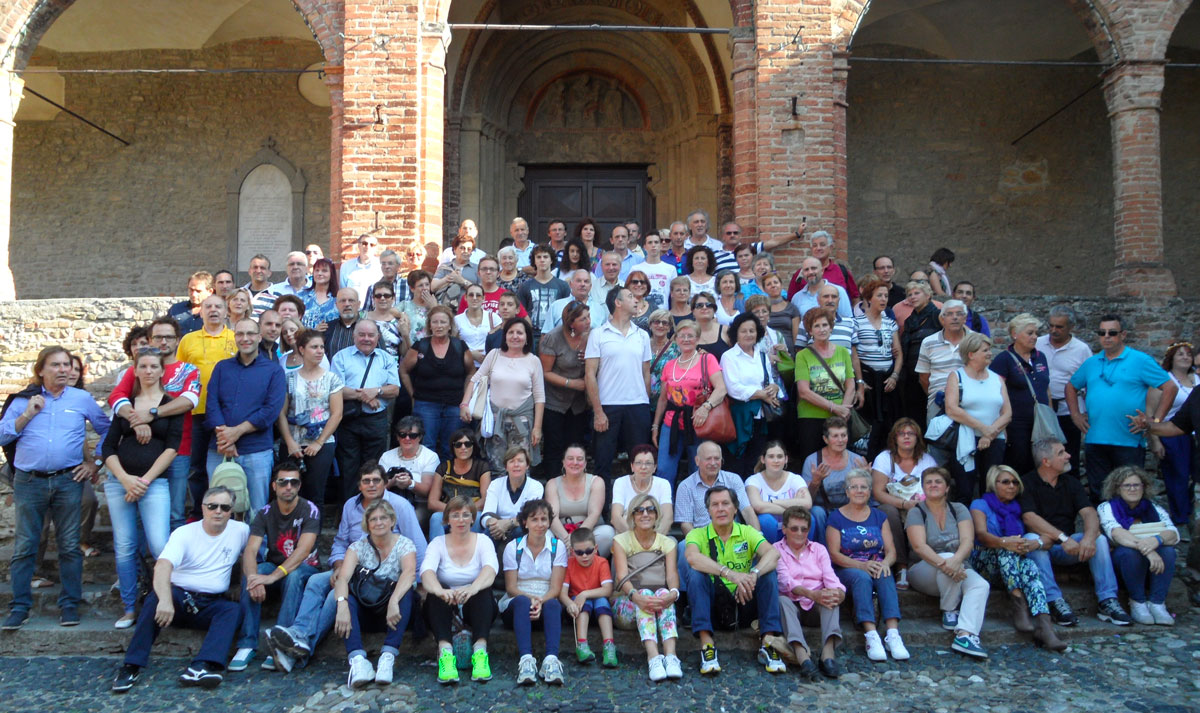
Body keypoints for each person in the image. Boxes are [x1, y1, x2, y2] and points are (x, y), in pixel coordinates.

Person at [264, 462, 426, 673]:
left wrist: (422, 584)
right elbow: (340, 542)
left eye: (376, 480)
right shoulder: (351, 505)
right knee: (315, 581)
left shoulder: (400, 506)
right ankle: (299, 633)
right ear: (359, 485)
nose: (371, 485)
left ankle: (303, 646)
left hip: (380, 575)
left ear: (386, 483)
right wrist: (339, 565)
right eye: (366, 481)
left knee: (337, 596)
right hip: (350, 565)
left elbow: (418, 545)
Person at [110, 486, 248, 692]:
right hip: (179, 599)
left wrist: (243, 583)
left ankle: (201, 666)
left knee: (233, 610)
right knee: (155, 600)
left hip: (211, 603)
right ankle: (131, 666)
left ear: (231, 510)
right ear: (203, 508)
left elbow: (252, 556)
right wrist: (165, 600)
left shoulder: (241, 530)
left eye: (224, 507)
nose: (218, 511)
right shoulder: (184, 533)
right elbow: (163, 565)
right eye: (213, 506)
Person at [101, 348, 181, 629]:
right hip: (119, 483)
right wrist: (125, 479)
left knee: (160, 545)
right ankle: (129, 607)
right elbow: (108, 447)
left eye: (154, 366)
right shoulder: (125, 405)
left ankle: (165, 601)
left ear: (162, 371)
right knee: (124, 546)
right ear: (134, 370)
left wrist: (144, 480)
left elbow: (172, 447)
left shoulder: (171, 405)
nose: (148, 371)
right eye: (143, 366)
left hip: (154, 483)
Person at [1021, 438, 1132, 626]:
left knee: (1100, 540)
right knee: (1031, 538)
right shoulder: (1027, 483)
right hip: (1043, 548)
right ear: (1046, 461)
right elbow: (1029, 518)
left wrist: (1088, 538)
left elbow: (1089, 512)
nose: (1068, 456)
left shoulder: (1071, 483)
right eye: (1061, 453)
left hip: (1070, 548)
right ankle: (1054, 601)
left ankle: (1107, 601)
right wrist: (1062, 538)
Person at [1065, 314, 1175, 503]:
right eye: (1102, 332)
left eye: (1112, 332)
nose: (1106, 336)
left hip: (1129, 441)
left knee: (1131, 494)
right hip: (1096, 439)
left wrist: (1155, 422)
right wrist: (1075, 415)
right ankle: (1104, 531)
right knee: (1099, 493)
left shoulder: (1140, 360)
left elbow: (1170, 387)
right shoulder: (1092, 362)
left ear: (1123, 335)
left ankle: (1129, 530)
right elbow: (1070, 386)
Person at [108, 316, 201, 532]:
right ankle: (143, 563)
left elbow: (188, 401)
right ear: (150, 340)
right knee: (139, 512)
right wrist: (137, 422)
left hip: (179, 450)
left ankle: (169, 564)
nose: (163, 342)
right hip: (141, 450)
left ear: (178, 340)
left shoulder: (189, 370)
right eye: (158, 337)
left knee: (175, 513)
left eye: (169, 337)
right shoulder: (139, 369)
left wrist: (153, 414)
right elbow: (116, 398)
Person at [683, 485, 785, 675]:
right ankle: (707, 646)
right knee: (696, 575)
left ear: (735, 508)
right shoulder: (697, 534)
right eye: (715, 505)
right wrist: (729, 574)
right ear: (708, 510)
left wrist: (753, 574)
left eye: (725, 503)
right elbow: (692, 558)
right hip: (714, 605)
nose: (720, 509)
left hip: (744, 600)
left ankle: (768, 643)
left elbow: (773, 554)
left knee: (768, 574)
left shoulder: (746, 531)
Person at [232, 462, 321, 672]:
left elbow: (302, 552)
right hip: (274, 566)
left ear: (299, 486)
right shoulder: (264, 512)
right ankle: (247, 644)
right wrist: (254, 578)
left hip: (305, 569)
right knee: (251, 572)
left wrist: (273, 577)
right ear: (274, 486)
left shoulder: (310, 510)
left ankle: (280, 642)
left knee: (294, 574)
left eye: (293, 482)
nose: (288, 486)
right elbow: (251, 550)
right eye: (283, 482)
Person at [968, 465, 1066, 651]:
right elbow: (981, 535)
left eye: (1015, 482)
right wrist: (1005, 542)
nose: (1012, 486)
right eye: (1006, 482)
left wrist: (1033, 544)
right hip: (984, 563)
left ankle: (1045, 627)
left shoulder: (1018, 508)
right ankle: (1018, 604)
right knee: (1007, 547)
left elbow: (1044, 537)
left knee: (1029, 565)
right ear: (993, 483)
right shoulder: (980, 504)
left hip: (1013, 568)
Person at [905, 466, 991, 658]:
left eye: (938, 482)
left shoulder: (958, 509)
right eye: (928, 482)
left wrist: (956, 561)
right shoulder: (916, 512)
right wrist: (949, 564)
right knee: (946, 558)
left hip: (957, 568)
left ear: (946, 488)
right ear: (923, 487)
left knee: (980, 585)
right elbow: (919, 547)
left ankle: (965, 634)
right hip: (923, 571)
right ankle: (949, 609)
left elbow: (968, 541)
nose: (933, 485)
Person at [825, 470, 908, 662]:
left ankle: (893, 634)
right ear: (847, 492)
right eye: (854, 487)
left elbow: (891, 551)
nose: (859, 491)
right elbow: (834, 554)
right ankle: (871, 635)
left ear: (870, 491)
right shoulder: (836, 517)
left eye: (863, 487)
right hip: (847, 567)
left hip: (876, 564)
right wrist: (861, 566)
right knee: (862, 578)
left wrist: (885, 563)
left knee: (885, 574)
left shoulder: (879, 516)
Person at [205, 318, 287, 514]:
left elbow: (270, 411)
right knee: (218, 509)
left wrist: (235, 433)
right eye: (240, 334)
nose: (245, 338)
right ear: (235, 337)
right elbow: (212, 403)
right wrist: (226, 438)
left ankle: (257, 546)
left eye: (250, 334)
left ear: (259, 337)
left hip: (256, 451)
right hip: (220, 449)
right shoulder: (222, 368)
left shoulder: (274, 371)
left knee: (257, 511)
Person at [333, 499, 417, 688]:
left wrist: (394, 600)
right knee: (348, 599)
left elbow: (409, 573)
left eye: (383, 518)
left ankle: (387, 656)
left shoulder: (405, 544)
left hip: (394, 613)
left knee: (406, 592)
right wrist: (341, 604)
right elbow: (343, 579)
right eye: (373, 519)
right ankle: (357, 661)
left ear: (392, 521)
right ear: (367, 524)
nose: (379, 522)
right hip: (366, 607)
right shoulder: (357, 547)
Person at [421, 496, 499, 684]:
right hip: (447, 606)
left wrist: (472, 588)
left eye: (466, 515)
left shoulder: (483, 541)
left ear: (473, 519)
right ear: (447, 519)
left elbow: (490, 569)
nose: (461, 520)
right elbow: (427, 573)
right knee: (434, 594)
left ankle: (480, 653)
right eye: (455, 515)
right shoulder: (437, 543)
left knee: (483, 590)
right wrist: (440, 591)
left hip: (475, 605)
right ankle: (445, 654)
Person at [176, 294, 237, 519]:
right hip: (194, 412)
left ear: (226, 312)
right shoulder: (188, 340)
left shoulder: (234, 338)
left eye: (218, 307)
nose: (213, 310)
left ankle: (228, 509)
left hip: (226, 414)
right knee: (197, 466)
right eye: (208, 306)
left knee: (225, 463)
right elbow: (178, 374)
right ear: (201, 312)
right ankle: (199, 511)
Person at [611, 494, 683, 682]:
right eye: (639, 510)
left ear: (657, 515)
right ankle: (653, 657)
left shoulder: (667, 543)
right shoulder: (620, 541)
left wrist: (673, 594)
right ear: (632, 516)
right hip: (627, 604)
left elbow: (672, 575)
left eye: (650, 510)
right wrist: (636, 597)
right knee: (645, 594)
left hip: (657, 601)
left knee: (663, 593)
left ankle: (670, 656)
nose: (645, 514)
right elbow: (621, 577)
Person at [1096, 466, 1179, 625]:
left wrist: (1157, 540)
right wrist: (1149, 551)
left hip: (1154, 566)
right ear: (1117, 488)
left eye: (1137, 485)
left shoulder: (1154, 508)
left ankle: (1157, 604)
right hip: (1124, 563)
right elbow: (1117, 533)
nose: (1132, 489)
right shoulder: (1106, 507)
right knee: (1129, 553)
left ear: (1144, 487)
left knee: (1168, 551)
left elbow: (1173, 534)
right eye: (1127, 485)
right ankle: (1138, 603)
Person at [586, 287, 652, 485]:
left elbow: (646, 373)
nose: (636, 299)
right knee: (603, 461)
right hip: (608, 405)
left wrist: (645, 404)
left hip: (638, 406)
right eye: (631, 296)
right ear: (618, 302)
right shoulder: (598, 334)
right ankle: (604, 510)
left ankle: (639, 508)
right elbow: (590, 374)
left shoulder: (642, 335)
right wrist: (598, 411)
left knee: (641, 462)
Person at [464, 317, 545, 474]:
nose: (515, 336)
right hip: (495, 423)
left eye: (519, 333)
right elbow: (475, 380)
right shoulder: (494, 355)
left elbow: (540, 397)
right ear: (505, 335)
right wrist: (464, 404)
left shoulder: (533, 361)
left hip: (522, 424)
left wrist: (537, 428)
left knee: (520, 469)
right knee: (496, 469)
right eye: (511, 332)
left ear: (527, 337)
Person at [331, 320, 401, 500]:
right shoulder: (341, 357)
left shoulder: (386, 358)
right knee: (349, 467)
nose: (366, 339)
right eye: (361, 335)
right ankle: (349, 509)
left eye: (371, 335)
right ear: (354, 336)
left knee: (373, 466)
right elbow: (336, 390)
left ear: (378, 338)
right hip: (349, 419)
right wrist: (366, 396)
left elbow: (394, 389)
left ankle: (371, 507)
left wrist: (375, 391)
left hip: (376, 420)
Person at [500, 499, 567, 685]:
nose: (540, 524)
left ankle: (551, 660)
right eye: (534, 519)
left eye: (544, 519)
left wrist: (541, 601)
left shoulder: (557, 547)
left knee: (554, 604)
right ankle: (526, 661)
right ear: (525, 522)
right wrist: (531, 600)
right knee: (521, 601)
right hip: (518, 603)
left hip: (546, 601)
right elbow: (511, 588)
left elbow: (555, 588)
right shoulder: (513, 547)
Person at [773, 506, 844, 680]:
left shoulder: (819, 549)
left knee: (831, 597)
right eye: (794, 528)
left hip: (815, 606)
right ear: (784, 529)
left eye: (804, 529)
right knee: (782, 600)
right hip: (792, 604)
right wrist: (812, 594)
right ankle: (802, 656)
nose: (799, 533)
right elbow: (785, 581)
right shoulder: (776, 549)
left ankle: (828, 655)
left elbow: (831, 577)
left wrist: (839, 594)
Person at [653, 320, 727, 485]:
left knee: (699, 469)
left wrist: (706, 408)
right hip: (671, 423)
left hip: (698, 422)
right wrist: (655, 426)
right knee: (664, 470)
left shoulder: (707, 359)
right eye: (682, 336)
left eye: (690, 336)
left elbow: (721, 389)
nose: (686, 339)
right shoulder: (669, 365)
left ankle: (701, 508)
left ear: (698, 339)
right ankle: (666, 509)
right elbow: (663, 399)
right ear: (676, 339)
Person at [1132, 342, 1197, 530]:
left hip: (1195, 436)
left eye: (1188, 354)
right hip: (1174, 434)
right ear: (1171, 359)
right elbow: (1153, 414)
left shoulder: (1197, 380)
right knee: (1178, 477)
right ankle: (1180, 519)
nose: (1185, 357)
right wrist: (1155, 439)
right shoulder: (1163, 381)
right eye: (1180, 354)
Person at [943, 332, 1012, 504]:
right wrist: (983, 429)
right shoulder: (957, 376)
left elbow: (1008, 413)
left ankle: (989, 527)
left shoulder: (996, 379)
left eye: (989, 350)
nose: (990, 353)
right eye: (985, 350)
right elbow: (952, 409)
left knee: (991, 488)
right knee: (965, 488)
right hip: (966, 440)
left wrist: (989, 435)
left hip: (995, 439)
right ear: (971, 354)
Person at [279, 329, 343, 509]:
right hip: (293, 442)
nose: (320, 351)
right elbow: (281, 413)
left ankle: (313, 535)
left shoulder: (331, 378)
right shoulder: (289, 378)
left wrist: (319, 442)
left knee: (316, 493)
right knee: (289, 492)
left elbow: (337, 413)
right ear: (301, 349)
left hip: (322, 443)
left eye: (322, 347)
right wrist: (290, 442)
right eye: (314, 347)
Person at [870, 418, 937, 589]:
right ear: (895, 437)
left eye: (911, 434)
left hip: (920, 506)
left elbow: (935, 487)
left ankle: (921, 562)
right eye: (902, 434)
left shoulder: (927, 460)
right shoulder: (884, 458)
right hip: (894, 504)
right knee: (888, 511)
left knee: (923, 512)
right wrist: (904, 504)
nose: (906, 437)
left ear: (917, 438)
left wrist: (916, 505)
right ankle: (901, 566)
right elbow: (878, 493)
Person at [402, 305, 472, 460]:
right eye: (435, 322)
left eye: (443, 322)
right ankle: (428, 482)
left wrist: (465, 399)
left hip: (454, 405)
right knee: (427, 447)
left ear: (450, 326)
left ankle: (448, 482)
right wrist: (413, 395)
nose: (439, 326)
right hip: (426, 404)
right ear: (429, 325)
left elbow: (471, 373)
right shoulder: (421, 346)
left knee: (453, 447)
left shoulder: (460, 346)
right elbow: (404, 370)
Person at [989, 313, 1051, 474]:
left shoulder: (1040, 357)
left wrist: (1050, 416)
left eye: (1036, 333)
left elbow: (1046, 388)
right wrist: (1002, 425)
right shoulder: (1004, 360)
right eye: (1030, 333)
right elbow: (995, 393)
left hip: (1041, 422)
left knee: (1042, 464)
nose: (1035, 337)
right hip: (1017, 424)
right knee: (1020, 463)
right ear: (1015, 334)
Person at [720, 312, 779, 476]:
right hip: (738, 416)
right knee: (736, 461)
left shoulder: (761, 355)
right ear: (736, 333)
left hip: (760, 416)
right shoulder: (729, 356)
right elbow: (733, 388)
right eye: (744, 331)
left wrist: (773, 387)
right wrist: (761, 394)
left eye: (752, 331)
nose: (748, 334)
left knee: (755, 460)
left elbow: (769, 378)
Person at [1035, 304, 1092, 471]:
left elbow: (1090, 382)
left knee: (1069, 455)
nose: (1054, 330)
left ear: (1071, 327)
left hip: (1069, 410)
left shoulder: (1082, 350)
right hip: (1043, 408)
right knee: (1042, 454)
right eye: (1051, 325)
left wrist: (1086, 412)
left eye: (1059, 327)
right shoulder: (1038, 344)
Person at [538, 301, 593, 473]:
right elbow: (545, 372)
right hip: (555, 401)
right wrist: (572, 383)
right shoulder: (553, 338)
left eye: (588, 317)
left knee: (576, 445)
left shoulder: (593, 336)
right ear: (571, 323)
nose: (588, 321)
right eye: (583, 319)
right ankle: (552, 484)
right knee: (554, 447)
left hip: (579, 404)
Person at [795, 308, 856, 459]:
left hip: (840, 418)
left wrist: (844, 411)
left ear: (831, 327)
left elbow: (851, 385)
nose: (822, 329)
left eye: (825, 325)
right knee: (812, 461)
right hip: (811, 417)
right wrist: (834, 407)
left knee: (839, 459)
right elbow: (803, 391)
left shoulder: (842, 352)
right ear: (810, 331)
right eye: (816, 326)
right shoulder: (802, 355)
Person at [852, 277, 902, 459]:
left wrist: (895, 376)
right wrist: (860, 381)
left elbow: (898, 354)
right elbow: (854, 354)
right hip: (869, 381)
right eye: (879, 295)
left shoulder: (890, 323)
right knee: (870, 426)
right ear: (868, 298)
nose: (883, 299)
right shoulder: (856, 322)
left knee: (889, 425)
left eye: (886, 296)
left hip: (888, 381)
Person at [801, 418, 868, 547]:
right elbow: (806, 501)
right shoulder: (813, 460)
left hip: (851, 509)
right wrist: (815, 482)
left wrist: (866, 479)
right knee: (816, 512)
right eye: (835, 436)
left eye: (843, 435)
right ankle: (823, 553)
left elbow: (868, 499)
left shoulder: (857, 460)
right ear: (826, 439)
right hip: (824, 511)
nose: (840, 440)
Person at [560, 527, 617, 667]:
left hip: (598, 606)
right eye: (579, 553)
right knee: (583, 604)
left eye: (588, 551)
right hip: (578, 610)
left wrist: (585, 593)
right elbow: (562, 593)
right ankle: (582, 644)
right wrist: (569, 604)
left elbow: (608, 589)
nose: (584, 556)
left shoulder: (601, 562)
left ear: (596, 548)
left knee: (602, 601)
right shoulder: (569, 564)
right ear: (572, 552)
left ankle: (609, 645)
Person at [546, 445, 615, 557]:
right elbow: (552, 517)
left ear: (585, 463)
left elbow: (594, 514)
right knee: (545, 536)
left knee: (607, 533)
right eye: (570, 458)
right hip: (561, 535)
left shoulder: (596, 481)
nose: (575, 462)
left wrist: (577, 539)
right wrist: (567, 540)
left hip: (589, 533)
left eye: (579, 459)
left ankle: (591, 567)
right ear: (563, 462)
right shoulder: (552, 484)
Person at [916, 299, 971, 426]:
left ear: (965, 318)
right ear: (942, 319)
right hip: (938, 402)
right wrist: (939, 394)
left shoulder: (975, 341)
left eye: (959, 314)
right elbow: (924, 378)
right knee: (938, 443)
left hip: (970, 403)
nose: (955, 317)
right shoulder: (928, 342)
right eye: (950, 314)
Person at [427, 429, 491, 538]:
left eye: (467, 444)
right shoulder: (443, 467)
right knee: (436, 518)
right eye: (458, 444)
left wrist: (465, 512)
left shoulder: (481, 467)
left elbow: (485, 500)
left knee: (477, 518)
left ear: (473, 446)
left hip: (473, 511)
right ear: (453, 447)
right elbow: (432, 502)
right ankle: (437, 553)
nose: (463, 448)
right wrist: (455, 511)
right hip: (448, 511)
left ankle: (472, 552)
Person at [746, 441, 811, 544]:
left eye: (780, 456)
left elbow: (807, 503)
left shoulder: (795, 479)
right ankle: (768, 555)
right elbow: (758, 506)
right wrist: (794, 504)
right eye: (771, 456)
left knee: (811, 518)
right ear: (763, 459)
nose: (776, 460)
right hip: (768, 530)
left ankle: (804, 555)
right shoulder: (753, 481)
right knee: (766, 519)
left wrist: (773, 502)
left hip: (792, 527)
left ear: (786, 459)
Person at [480, 446, 545, 546]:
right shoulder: (495, 484)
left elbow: (530, 517)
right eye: (511, 461)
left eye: (520, 461)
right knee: (489, 532)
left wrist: (507, 523)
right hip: (497, 528)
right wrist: (493, 523)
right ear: (506, 467)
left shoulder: (536, 486)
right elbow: (486, 515)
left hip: (522, 529)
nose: (516, 465)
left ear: (527, 465)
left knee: (520, 531)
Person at [378, 415, 439, 516]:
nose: (407, 438)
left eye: (413, 435)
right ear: (397, 437)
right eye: (402, 435)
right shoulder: (386, 456)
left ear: (420, 437)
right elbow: (377, 487)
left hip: (418, 504)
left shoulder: (430, 457)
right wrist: (392, 482)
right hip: (387, 504)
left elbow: (427, 490)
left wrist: (410, 483)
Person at [898, 281, 940, 425]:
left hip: (932, 374)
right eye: (910, 294)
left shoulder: (938, 316)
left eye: (917, 293)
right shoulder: (909, 321)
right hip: (911, 374)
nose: (913, 297)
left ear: (928, 295)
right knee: (914, 416)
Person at [610, 444, 674, 534]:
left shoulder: (663, 484)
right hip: (627, 535)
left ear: (654, 467)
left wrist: (653, 541)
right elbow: (616, 517)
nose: (643, 467)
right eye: (639, 463)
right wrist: (636, 540)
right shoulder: (621, 482)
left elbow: (668, 517)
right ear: (632, 466)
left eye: (648, 463)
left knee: (673, 543)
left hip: (655, 534)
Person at [786, 230, 858, 302]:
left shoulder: (842, 271)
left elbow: (855, 297)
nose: (818, 248)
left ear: (831, 247)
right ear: (811, 249)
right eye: (815, 245)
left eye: (822, 245)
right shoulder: (801, 274)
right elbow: (791, 300)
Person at [517, 244, 569, 341]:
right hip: (531, 335)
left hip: (556, 336)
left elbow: (567, 312)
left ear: (551, 260)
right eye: (538, 257)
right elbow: (521, 312)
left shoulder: (562, 286)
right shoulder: (525, 286)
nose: (542, 260)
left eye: (545, 257)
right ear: (534, 261)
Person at [789, 257, 850, 322]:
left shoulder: (838, 291)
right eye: (806, 270)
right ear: (803, 274)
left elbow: (848, 320)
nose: (810, 272)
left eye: (814, 268)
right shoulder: (797, 298)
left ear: (822, 271)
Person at [432, 233, 480, 307]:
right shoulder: (444, 267)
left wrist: (462, 281)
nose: (466, 251)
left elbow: (481, 291)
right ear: (454, 249)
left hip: (469, 310)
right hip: (446, 310)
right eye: (462, 248)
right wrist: (447, 279)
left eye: (469, 249)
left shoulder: (477, 269)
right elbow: (433, 287)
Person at [363, 280, 407, 361]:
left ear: (393, 298)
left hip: (392, 365)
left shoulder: (399, 321)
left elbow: (404, 352)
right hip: (367, 363)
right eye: (378, 296)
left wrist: (405, 335)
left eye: (386, 296)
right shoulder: (363, 317)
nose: (382, 298)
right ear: (373, 298)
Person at [647, 308, 681, 413]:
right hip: (642, 401)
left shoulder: (677, 349)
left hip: (667, 403)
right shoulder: (641, 345)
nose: (660, 326)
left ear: (670, 327)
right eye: (657, 322)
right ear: (650, 325)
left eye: (665, 323)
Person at [395, 270, 439, 345]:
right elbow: (390, 312)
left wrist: (434, 308)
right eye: (420, 285)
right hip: (411, 349)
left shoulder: (437, 305)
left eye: (427, 284)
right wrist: (401, 314)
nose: (425, 288)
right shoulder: (405, 305)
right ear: (412, 288)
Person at [341, 234, 383, 309]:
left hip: (375, 313)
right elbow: (342, 292)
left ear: (376, 248)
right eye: (364, 243)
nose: (368, 247)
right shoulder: (346, 267)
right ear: (359, 245)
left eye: (372, 245)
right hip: (353, 313)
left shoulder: (381, 267)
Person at [638, 231, 678, 307]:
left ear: (660, 245)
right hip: (641, 314)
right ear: (644, 247)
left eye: (656, 242)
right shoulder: (636, 269)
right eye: (650, 242)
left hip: (663, 315)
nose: (653, 245)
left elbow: (674, 295)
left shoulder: (671, 269)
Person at [167, 271, 214, 335]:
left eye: (198, 291)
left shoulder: (215, 312)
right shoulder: (176, 309)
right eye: (191, 290)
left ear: (210, 291)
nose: (193, 294)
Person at [302, 258, 340, 330]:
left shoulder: (339, 299)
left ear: (331, 274)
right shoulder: (302, 296)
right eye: (317, 270)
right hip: (306, 339)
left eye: (324, 271)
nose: (319, 273)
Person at [323, 288, 362, 358]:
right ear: (336, 305)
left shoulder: (370, 329)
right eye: (343, 301)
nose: (347, 304)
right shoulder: (327, 328)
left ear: (358, 304)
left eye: (351, 300)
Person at [691, 293, 729, 362]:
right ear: (693, 311)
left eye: (709, 305)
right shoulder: (685, 333)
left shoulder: (725, 330)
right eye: (699, 305)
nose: (704, 307)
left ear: (714, 310)